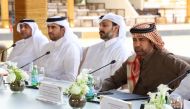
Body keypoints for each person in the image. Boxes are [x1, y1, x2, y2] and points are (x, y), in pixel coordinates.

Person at [100, 22, 190, 95]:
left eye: (141, 40)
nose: (137, 44)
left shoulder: (165, 58)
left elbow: (188, 72)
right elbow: (114, 81)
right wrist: (96, 89)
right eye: (134, 40)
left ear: (152, 42)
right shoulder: (132, 60)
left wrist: (175, 94)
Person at [79, 13, 133, 80]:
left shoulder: (122, 50)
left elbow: (117, 80)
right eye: (100, 25)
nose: (100, 28)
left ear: (116, 28)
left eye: (104, 25)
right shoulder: (96, 47)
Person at [37, 16, 82, 82]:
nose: (49, 31)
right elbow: (39, 68)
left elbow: (71, 78)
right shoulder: (47, 46)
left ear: (63, 30)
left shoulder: (71, 47)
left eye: (53, 27)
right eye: (48, 27)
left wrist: (49, 80)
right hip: (42, 85)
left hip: (59, 89)